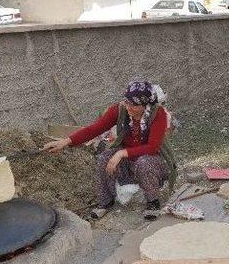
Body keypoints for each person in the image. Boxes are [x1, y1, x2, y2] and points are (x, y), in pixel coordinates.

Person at [43, 81, 177, 221]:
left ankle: (153, 202)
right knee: (104, 158)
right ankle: (105, 203)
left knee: (144, 162)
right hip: (128, 161)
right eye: (126, 102)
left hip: (152, 162)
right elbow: (93, 130)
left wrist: (121, 153)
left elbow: (152, 147)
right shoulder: (119, 110)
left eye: (134, 105)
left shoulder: (157, 114)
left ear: (145, 105)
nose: (128, 107)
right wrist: (65, 142)